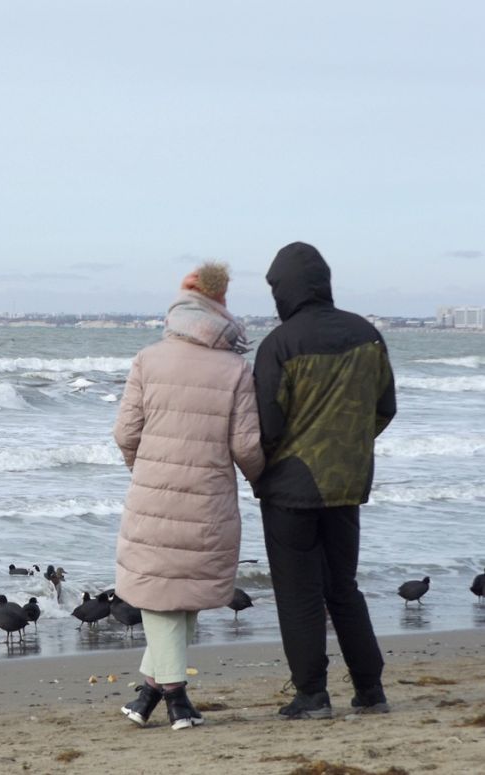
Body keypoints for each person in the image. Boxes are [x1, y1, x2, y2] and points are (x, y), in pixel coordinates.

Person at [114, 262, 264, 730]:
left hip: (152, 494)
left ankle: (149, 696)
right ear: (221, 305)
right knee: (180, 594)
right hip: (209, 497)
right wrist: (260, 481)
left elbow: (125, 433)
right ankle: (177, 698)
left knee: (165, 594)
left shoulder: (148, 358)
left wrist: (144, 470)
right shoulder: (236, 367)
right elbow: (246, 445)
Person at [253, 242, 396, 720]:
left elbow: (268, 428)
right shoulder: (367, 335)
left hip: (291, 491)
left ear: (284, 290)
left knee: (298, 593)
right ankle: (370, 689)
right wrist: (349, 448)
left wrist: (266, 470)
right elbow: (384, 409)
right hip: (347, 485)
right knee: (343, 587)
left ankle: (312, 694)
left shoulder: (280, 344)